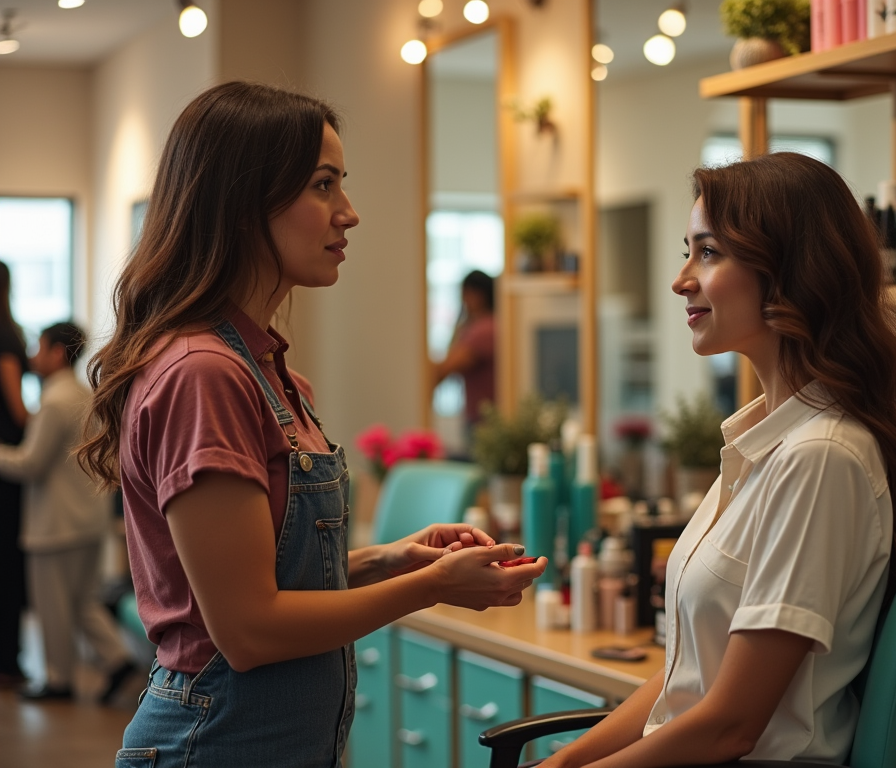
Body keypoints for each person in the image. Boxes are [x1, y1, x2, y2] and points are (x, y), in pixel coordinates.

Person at [78, 81, 545, 767]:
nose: (348, 214)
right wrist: (434, 586)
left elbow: (263, 585)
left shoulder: (268, 371)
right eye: (323, 185)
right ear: (243, 205)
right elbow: (248, 628)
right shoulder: (204, 373)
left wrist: (392, 560)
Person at [541, 153, 896, 768]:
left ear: (787, 272)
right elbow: (691, 682)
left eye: (708, 252)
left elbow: (730, 727)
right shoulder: (764, 445)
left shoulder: (819, 458)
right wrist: (565, 762)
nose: (681, 279)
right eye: (689, 250)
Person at [0, 321, 136, 703]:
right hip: (86, 519)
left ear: (57, 352)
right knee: (84, 602)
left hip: (55, 525)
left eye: (39, 348)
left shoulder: (54, 402)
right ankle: (118, 660)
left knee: (54, 607)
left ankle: (59, 681)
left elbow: (30, 464)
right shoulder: (82, 394)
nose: (32, 357)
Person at [0, 260, 28, 690]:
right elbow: (18, 407)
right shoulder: (8, 334)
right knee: (8, 561)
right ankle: (8, 660)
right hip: (8, 460)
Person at [430, 269, 496, 431]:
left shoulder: (482, 330)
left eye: (464, 294)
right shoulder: (489, 325)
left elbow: (445, 369)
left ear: (475, 295)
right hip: (484, 416)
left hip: (483, 421)